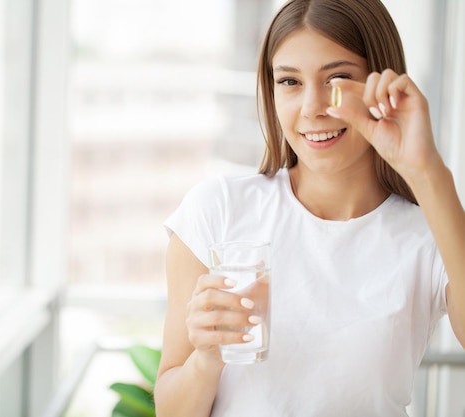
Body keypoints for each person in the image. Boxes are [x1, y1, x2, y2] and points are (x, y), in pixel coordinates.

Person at [154, 0, 465, 416]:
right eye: (290, 82)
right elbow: (171, 411)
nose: (312, 108)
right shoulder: (219, 208)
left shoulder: (428, 234)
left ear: (380, 83)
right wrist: (208, 357)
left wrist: (428, 171)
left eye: (338, 78)